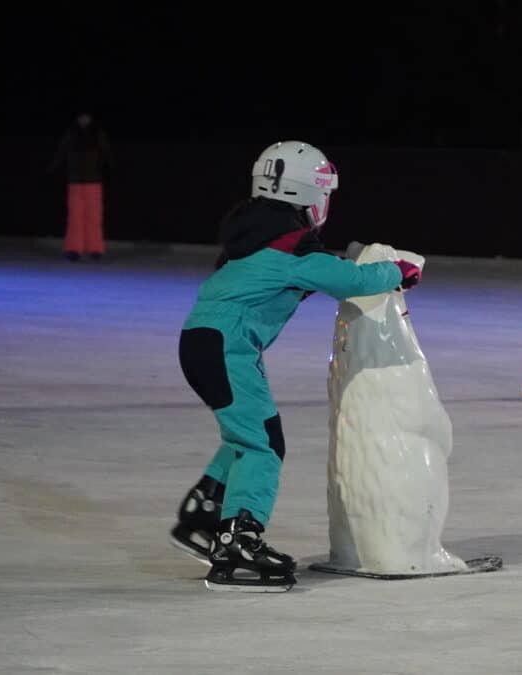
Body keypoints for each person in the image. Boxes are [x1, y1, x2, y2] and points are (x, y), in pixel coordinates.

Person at [168, 140, 422, 592]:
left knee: (249, 435)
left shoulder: (255, 239)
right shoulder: (291, 248)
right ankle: (238, 541)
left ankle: (206, 509)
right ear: (308, 195)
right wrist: (397, 271)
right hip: (226, 348)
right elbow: (353, 281)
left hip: (203, 342)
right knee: (262, 444)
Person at [47, 112, 113, 261]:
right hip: (75, 181)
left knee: (94, 217)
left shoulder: (98, 134)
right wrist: (52, 168)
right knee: (75, 217)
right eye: (81, 117)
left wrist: (110, 169)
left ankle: (95, 249)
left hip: (93, 181)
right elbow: (61, 153)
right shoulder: (71, 134)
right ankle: (73, 249)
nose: (84, 120)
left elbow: (106, 154)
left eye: (87, 117)